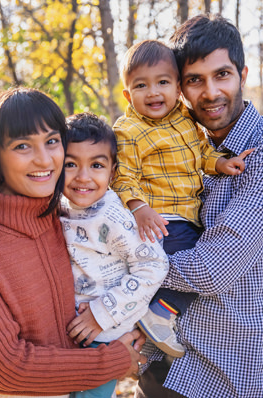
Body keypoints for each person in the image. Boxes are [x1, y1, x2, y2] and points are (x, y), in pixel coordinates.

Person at [0, 87, 145, 397]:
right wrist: (114, 360)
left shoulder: (69, 217)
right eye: (22, 146)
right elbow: (8, 367)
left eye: (52, 142)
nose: (44, 159)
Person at [135, 15, 263, 398]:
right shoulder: (176, 148)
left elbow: (214, 268)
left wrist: (132, 278)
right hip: (159, 365)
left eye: (222, 75)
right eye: (195, 80)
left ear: (242, 74)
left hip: (225, 375)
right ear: (181, 89)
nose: (210, 92)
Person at [111, 39, 254, 358]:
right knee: (200, 263)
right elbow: (123, 176)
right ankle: (158, 312)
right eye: (141, 86)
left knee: (199, 258)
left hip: (186, 216)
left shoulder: (185, 119)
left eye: (162, 82)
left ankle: (143, 314)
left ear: (177, 88)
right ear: (127, 94)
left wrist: (219, 163)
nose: (153, 93)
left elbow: (200, 153)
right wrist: (139, 207)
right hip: (159, 219)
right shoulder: (129, 130)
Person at [60, 113, 169, 398]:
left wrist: (101, 314)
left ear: (113, 172)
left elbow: (154, 265)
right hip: (70, 334)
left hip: (104, 335)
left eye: (96, 165)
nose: (83, 176)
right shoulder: (61, 206)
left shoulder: (112, 217)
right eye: (71, 164)